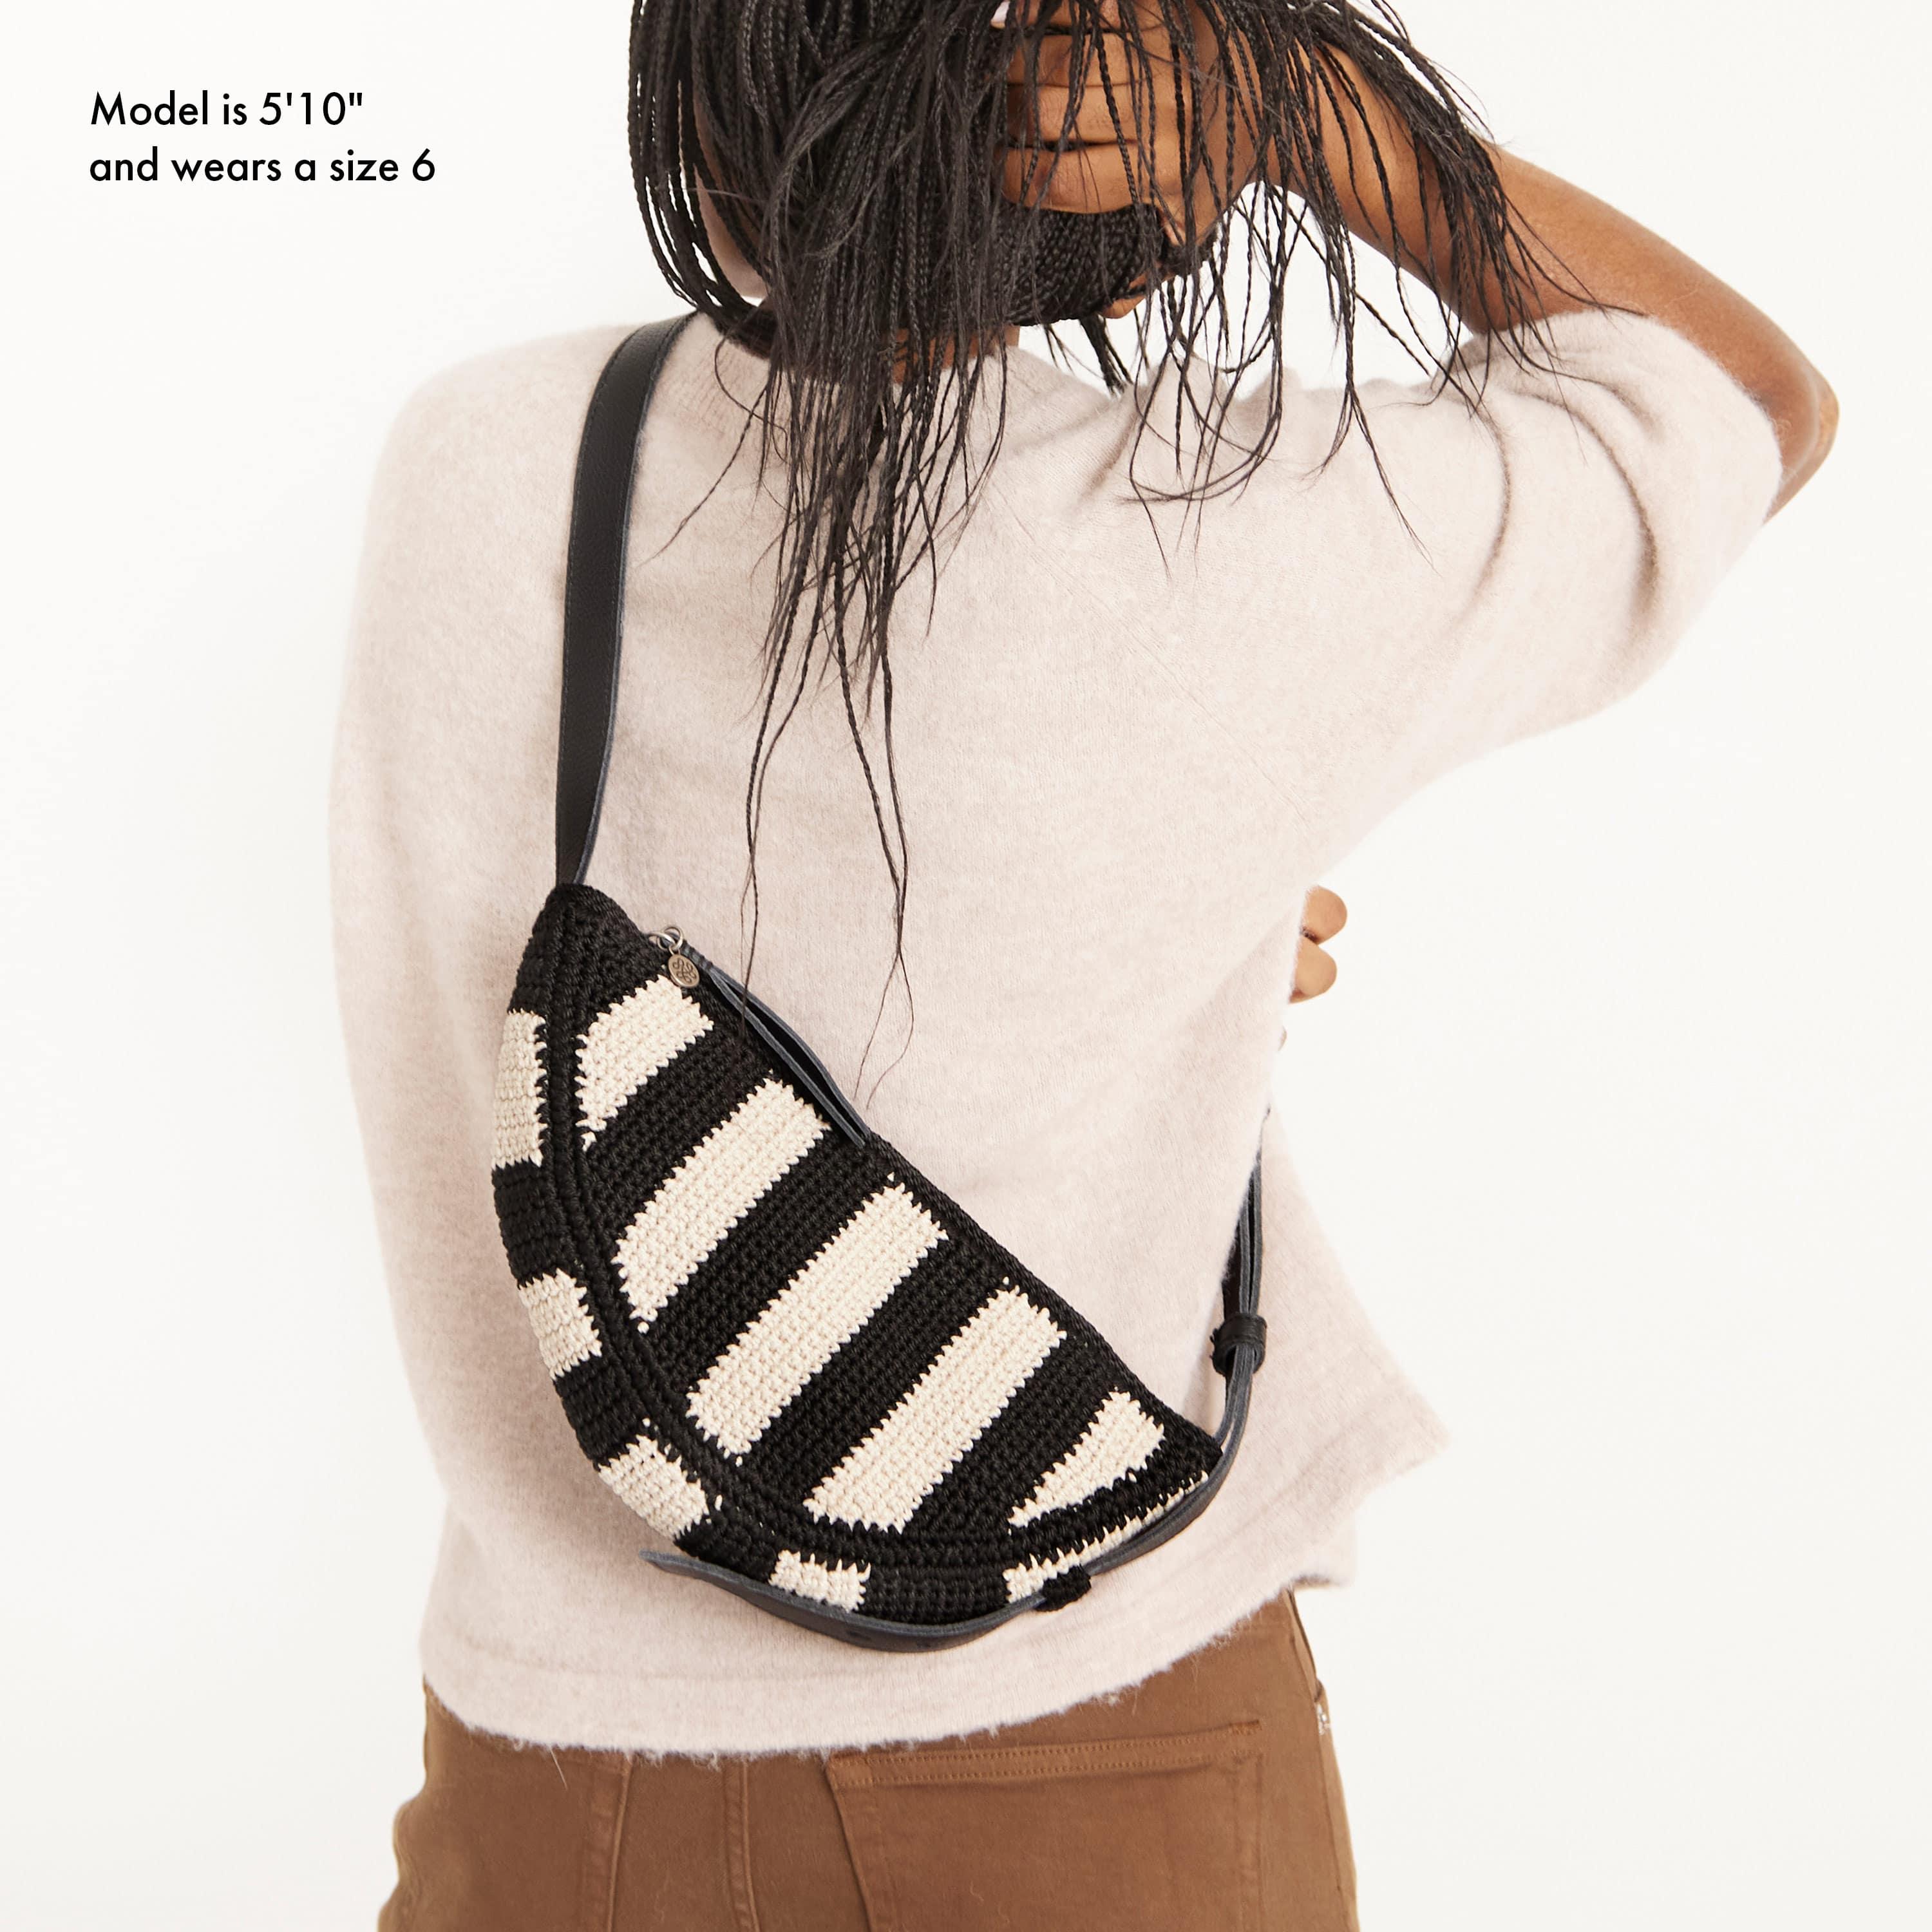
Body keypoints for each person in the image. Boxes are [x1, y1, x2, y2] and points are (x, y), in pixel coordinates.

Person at [332, 3, 1834, 1926]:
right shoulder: (1254, 536)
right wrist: (1312, 107)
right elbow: (1740, 403)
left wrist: (1176, 934)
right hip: (1087, 1752)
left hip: (543, 1791)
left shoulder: (483, 463)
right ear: (1116, 176)